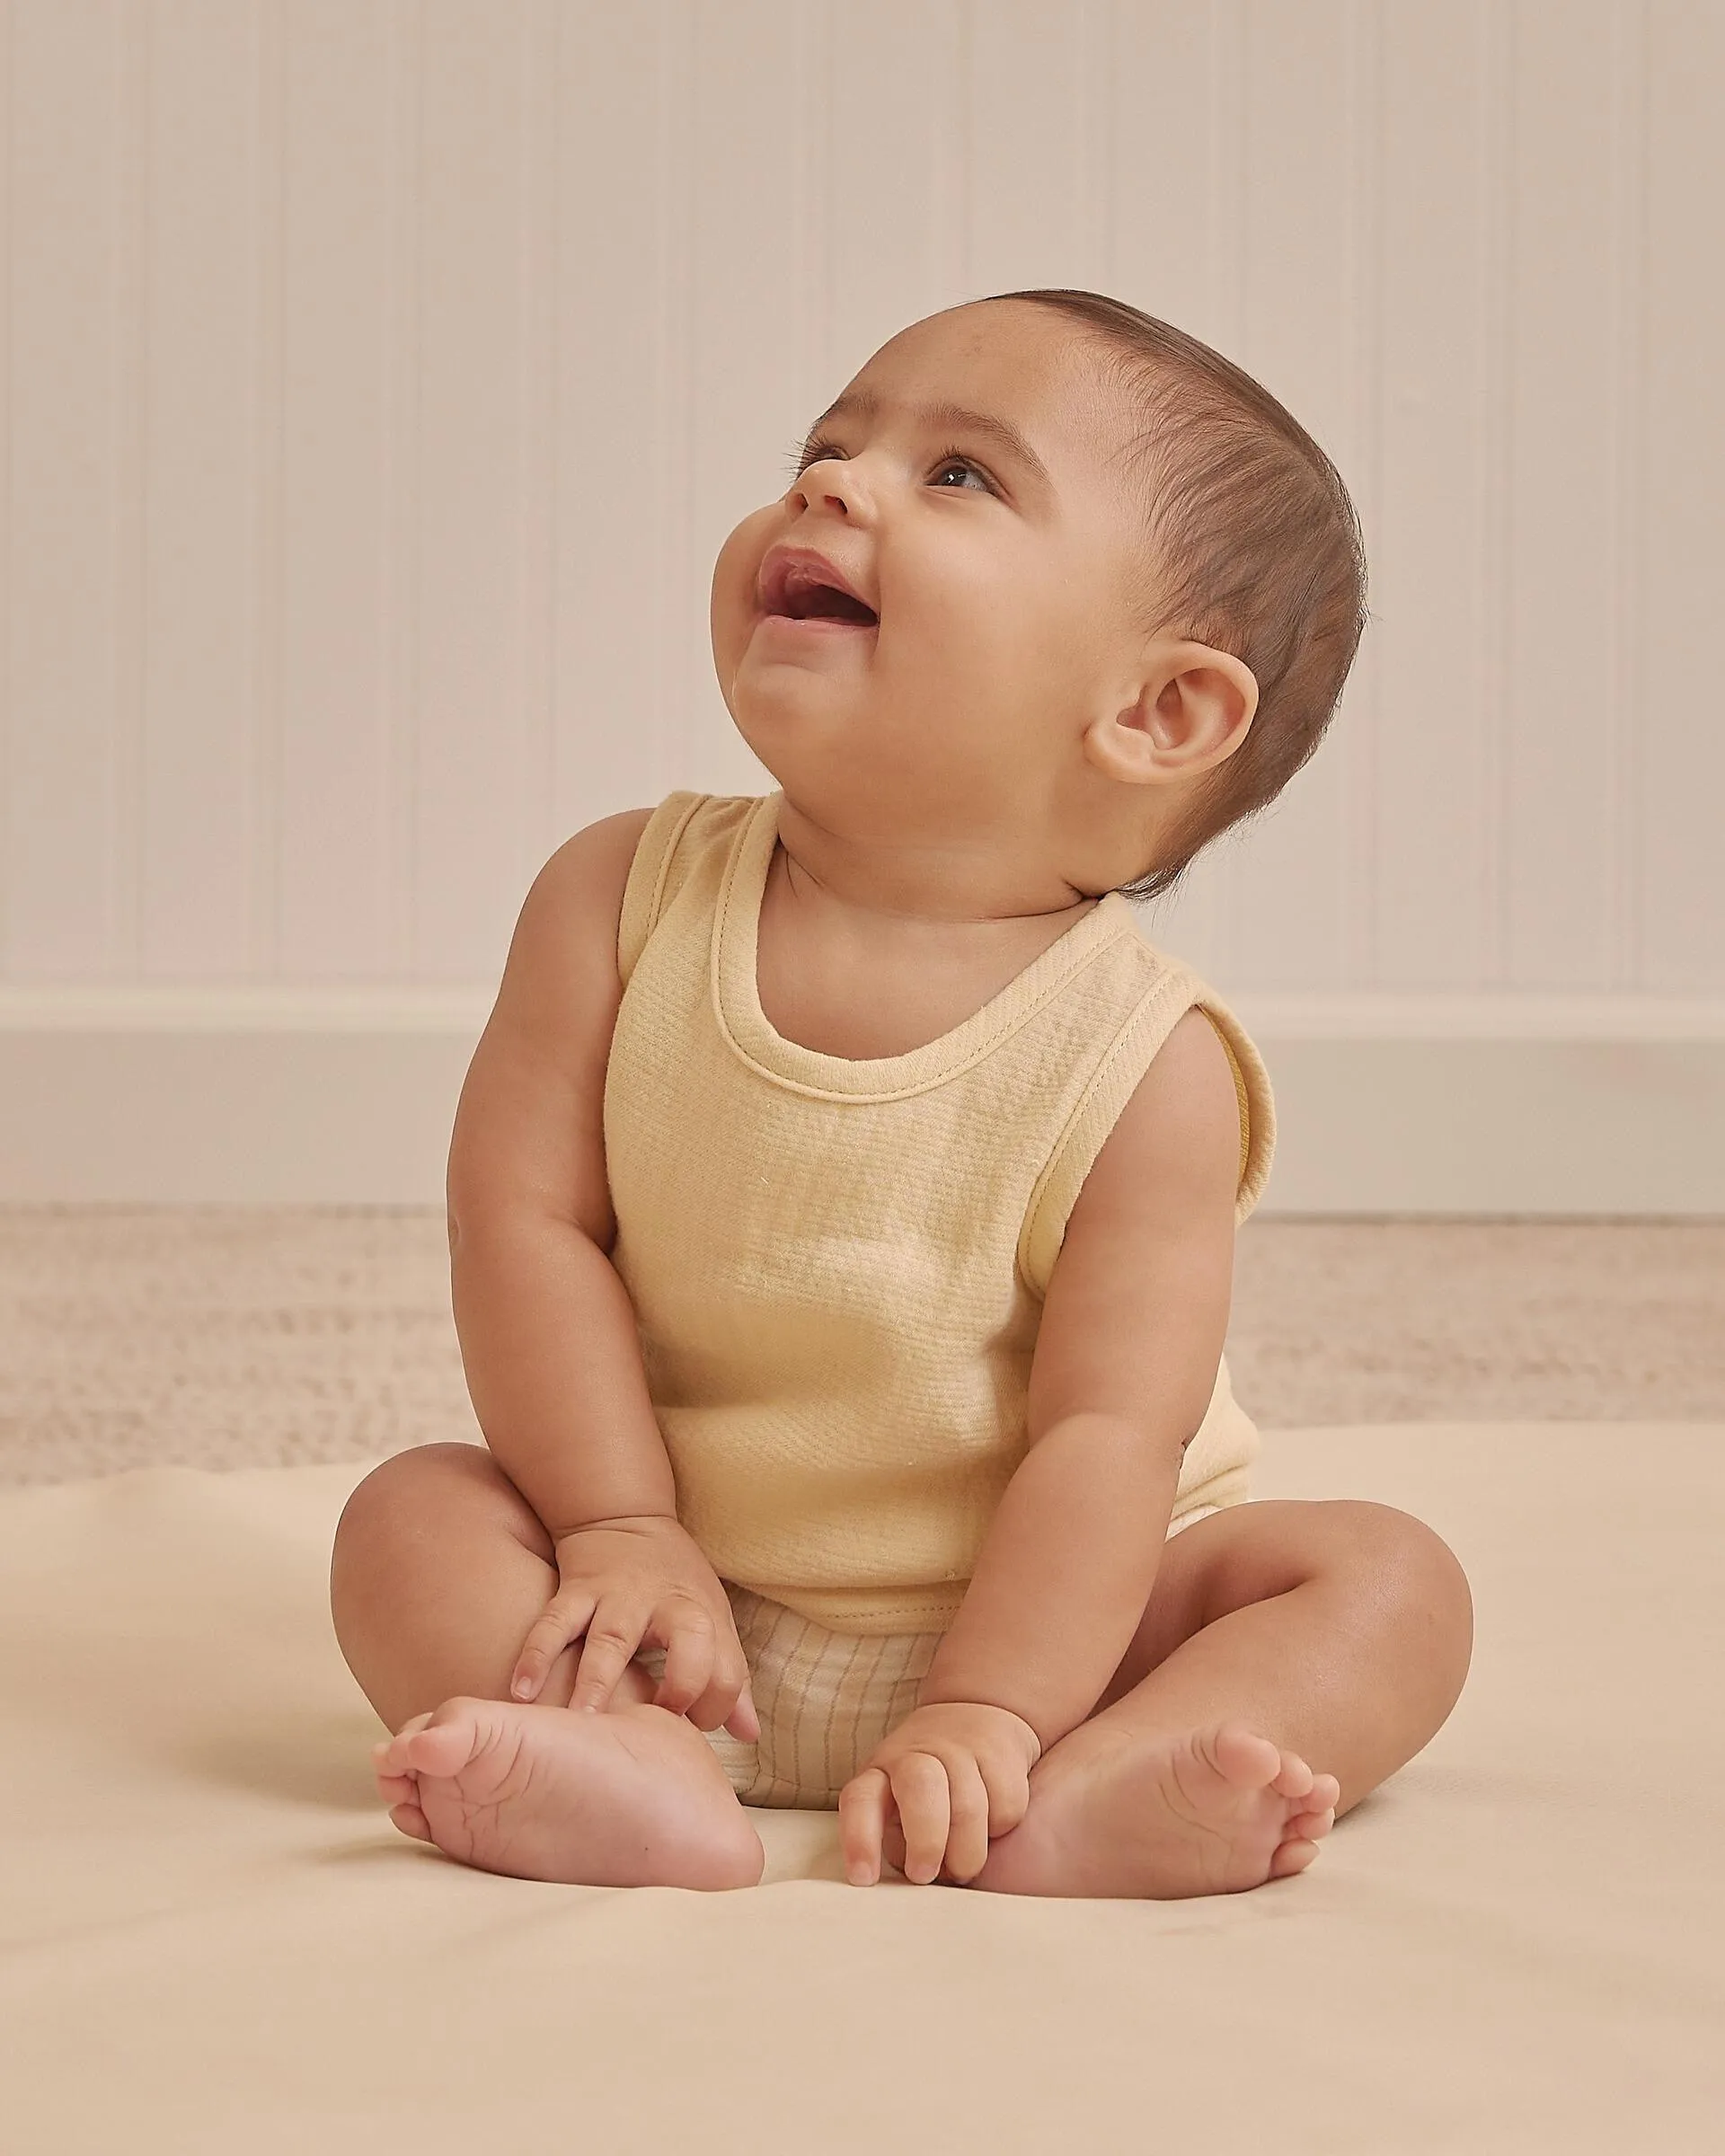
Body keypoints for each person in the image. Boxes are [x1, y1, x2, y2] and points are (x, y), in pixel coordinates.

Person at [330, 288, 1473, 1897]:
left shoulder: (1146, 1065)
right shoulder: (616, 900)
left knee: (1389, 1582)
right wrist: (615, 1529)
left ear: (1154, 712)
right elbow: (522, 1225)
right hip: (673, 1600)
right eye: (829, 441)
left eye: (959, 477)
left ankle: (1087, 1791)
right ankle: (640, 1765)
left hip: (1061, 1627)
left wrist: (994, 1707)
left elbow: (1105, 1433)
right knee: (411, 1519)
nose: (833, 481)